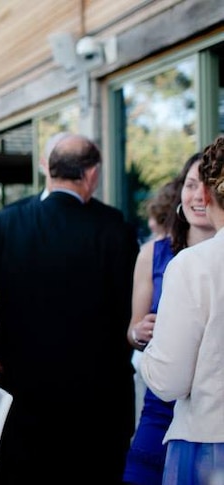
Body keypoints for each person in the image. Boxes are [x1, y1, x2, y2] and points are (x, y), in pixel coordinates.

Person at [0, 134, 138, 484]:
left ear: (46, 168)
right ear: (92, 174)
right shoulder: (114, 227)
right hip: (98, 398)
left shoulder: (9, 221)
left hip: (25, 389)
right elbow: (130, 307)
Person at [123, 153, 216, 485]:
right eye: (190, 186)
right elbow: (133, 331)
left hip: (210, 406)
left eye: (208, 187)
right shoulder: (153, 253)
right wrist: (139, 330)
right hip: (160, 401)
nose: (198, 196)